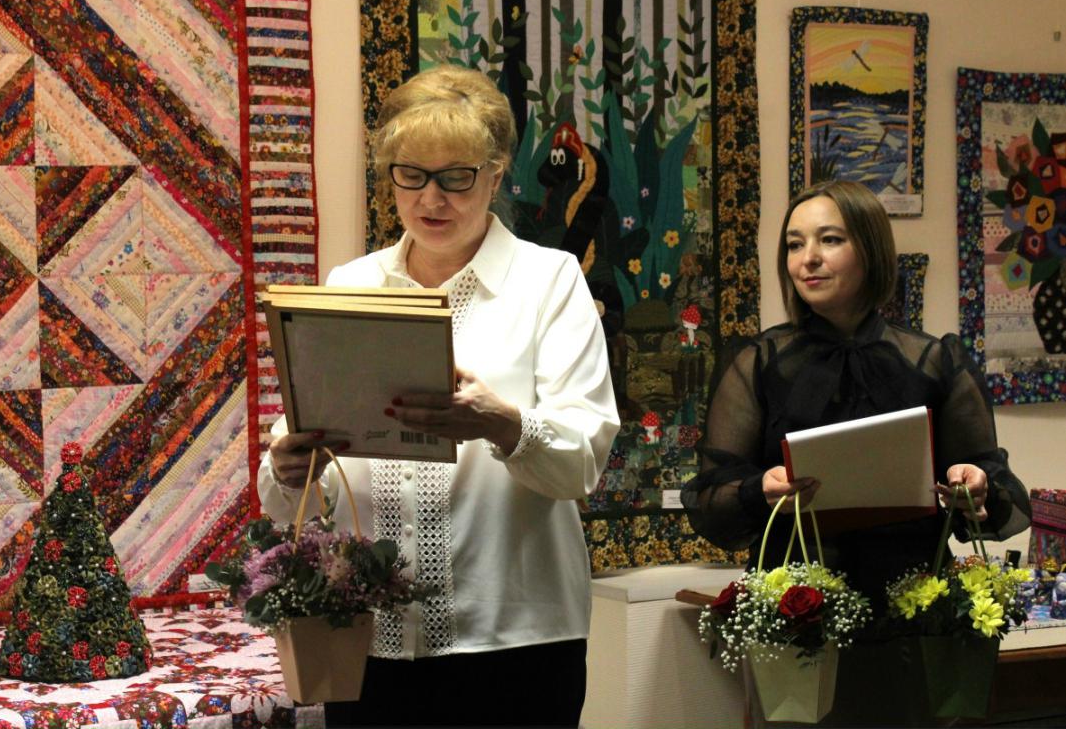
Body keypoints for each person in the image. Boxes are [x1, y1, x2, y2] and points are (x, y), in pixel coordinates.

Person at [257, 64, 619, 728]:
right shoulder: (351, 284)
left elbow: (583, 463)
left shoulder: (550, 281)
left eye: (456, 176)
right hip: (367, 636)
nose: (432, 198)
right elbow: (306, 485)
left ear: (496, 175)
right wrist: (288, 465)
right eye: (411, 174)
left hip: (517, 642)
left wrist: (503, 424)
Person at [683, 179, 1031, 725]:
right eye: (794, 244)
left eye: (829, 240)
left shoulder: (933, 361)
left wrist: (976, 486)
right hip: (800, 627)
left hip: (911, 625)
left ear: (870, 249)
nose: (808, 259)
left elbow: (1003, 490)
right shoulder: (759, 361)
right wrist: (758, 489)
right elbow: (708, 500)